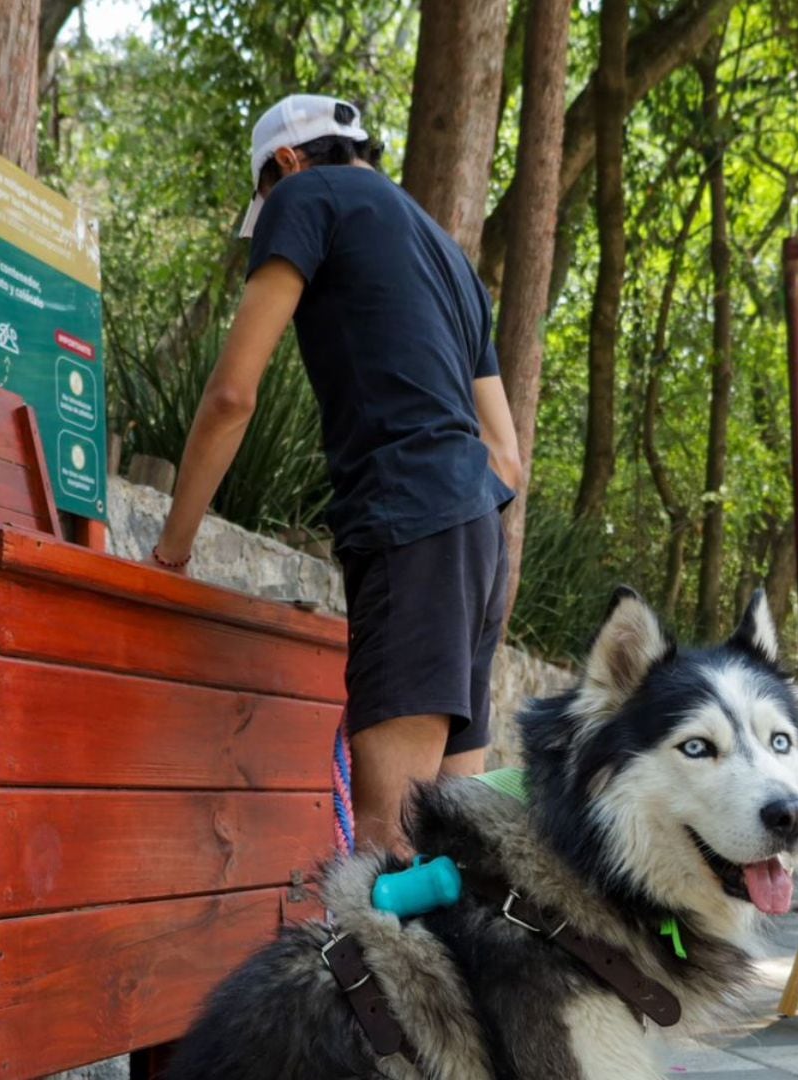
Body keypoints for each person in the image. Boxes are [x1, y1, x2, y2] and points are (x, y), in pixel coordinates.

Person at [150, 94, 523, 854]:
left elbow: (230, 395)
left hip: (409, 528)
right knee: (453, 857)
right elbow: (507, 456)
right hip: (478, 546)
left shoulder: (305, 196)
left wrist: (172, 550)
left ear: (285, 163)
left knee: (385, 861)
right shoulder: (449, 255)